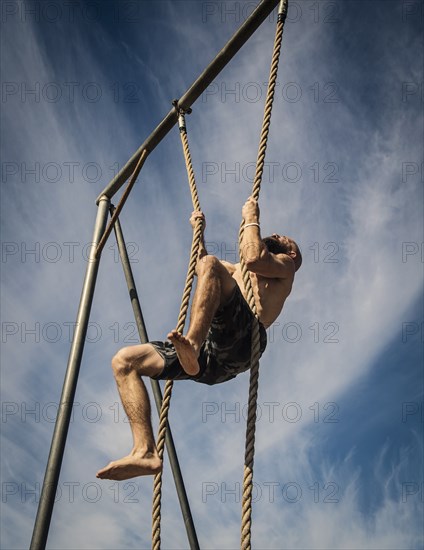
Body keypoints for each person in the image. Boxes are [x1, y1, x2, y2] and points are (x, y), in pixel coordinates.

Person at [96, 196, 302, 481]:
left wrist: (252, 217)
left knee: (214, 266)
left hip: (244, 339)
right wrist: (199, 232)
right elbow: (202, 267)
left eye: (286, 239)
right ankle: (144, 451)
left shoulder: (284, 268)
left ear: (291, 254)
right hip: (211, 357)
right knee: (124, 362)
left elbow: (254, 257)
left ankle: (191, 345)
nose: (279, 235)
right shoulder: (236, 272)